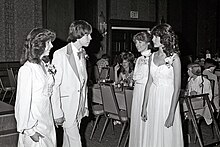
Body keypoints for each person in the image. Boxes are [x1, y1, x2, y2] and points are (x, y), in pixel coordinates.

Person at [141, 23, 184, 147]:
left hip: (167, 100)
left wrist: (171, 114)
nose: (152, 39)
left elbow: (177, 89)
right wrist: (144, 106)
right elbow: (149, 82)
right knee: (152, 132)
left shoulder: (175, 59)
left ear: (164, 38)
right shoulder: (152, 57)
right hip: (153, 99)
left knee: (166, 134)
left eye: (155, 37)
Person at [51, 20, 92, 147]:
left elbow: (83, 84)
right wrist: (57, 112)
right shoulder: (60, 54)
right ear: (78, 35)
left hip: (78, 106)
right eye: (87, 35)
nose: (90, 38)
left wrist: (84, 106)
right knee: (76, 142)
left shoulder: (83, 53)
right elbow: (55, 85)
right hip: (66, 106)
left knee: (68, 141)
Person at [15, 28, 56, 146]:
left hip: (46, 118)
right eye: (48, 43)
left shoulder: (43, 64)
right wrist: (30, 131)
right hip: (35, 125)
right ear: (39, 45)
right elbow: (22, 103)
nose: (52, 46)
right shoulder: (27, 70)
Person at [128, 31, 152, 147]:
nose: (137, 45)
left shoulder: (153, 58)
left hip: (147, 91)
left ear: (148, 43)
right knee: (136, 118)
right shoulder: (138, 59)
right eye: (136, 42)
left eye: (140, 42)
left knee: (146, 119)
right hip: (137, 90)